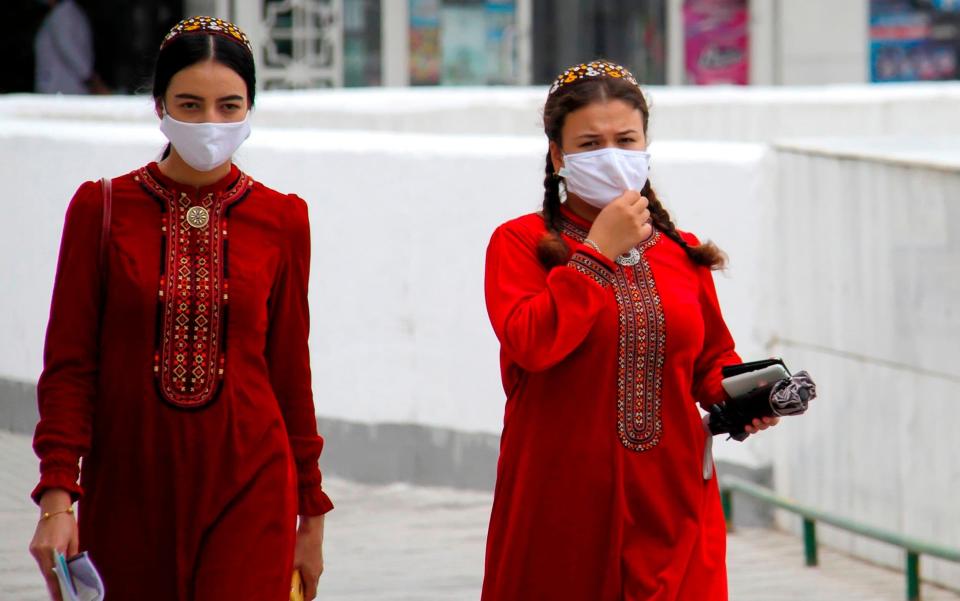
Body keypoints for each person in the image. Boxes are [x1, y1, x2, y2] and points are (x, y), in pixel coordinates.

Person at [28, 16, 332, 601]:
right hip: (129, 490)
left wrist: (311, 517)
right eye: (190, 104)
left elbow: (291, 375)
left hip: (251, 486)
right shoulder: (102, 208)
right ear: (159, 104)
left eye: (229, 106)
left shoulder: (283, 218)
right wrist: (56, 498)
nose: (210, 123)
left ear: (250, 109)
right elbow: (69, 367)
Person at [481, 60, 777, 600]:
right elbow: (531, 343)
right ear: (557, 154)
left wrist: (746, 395)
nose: (611, 155)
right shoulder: (519, 244)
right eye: (590, 143)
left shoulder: (682, 250)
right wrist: (596, 254)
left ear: (645, 146)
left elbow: (711, 360)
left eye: (625, 139)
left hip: (672, 498)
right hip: (563, 501)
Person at [34, 0, 107, 94]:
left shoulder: (64, 14)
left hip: (63, 88)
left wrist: (91, 80)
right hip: (57, 85)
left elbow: (70, 49)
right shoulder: (58, 14)